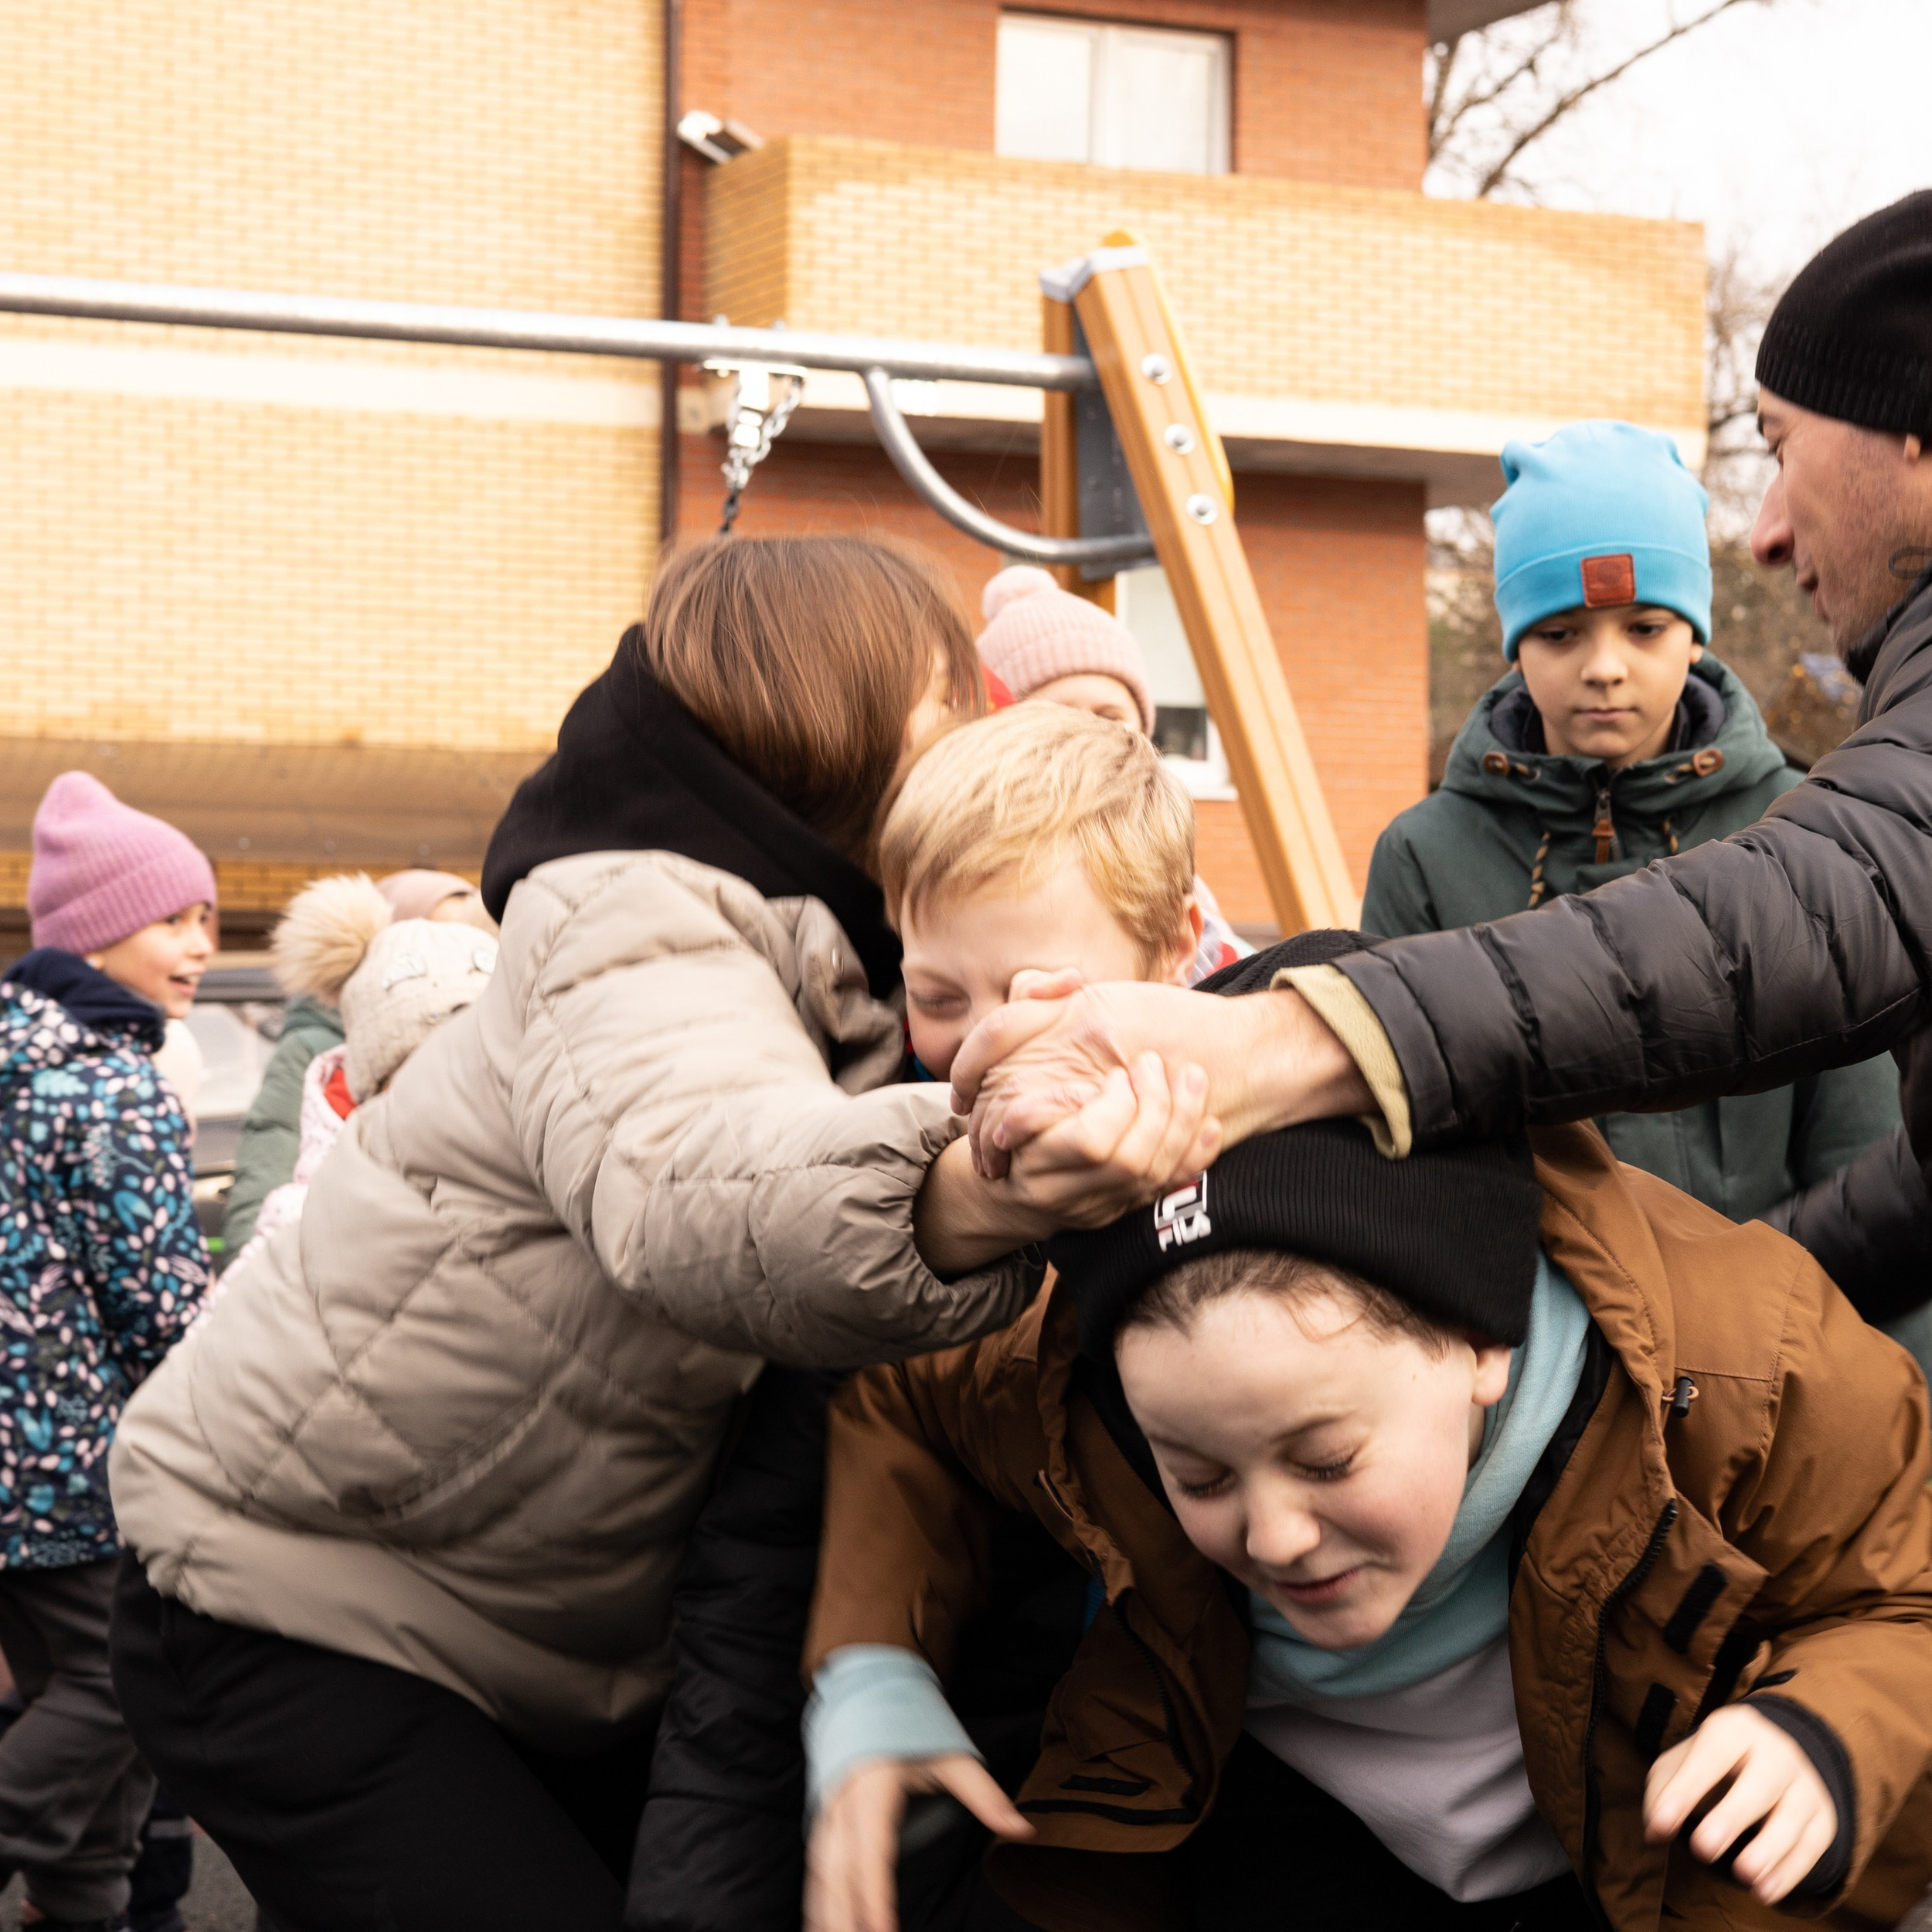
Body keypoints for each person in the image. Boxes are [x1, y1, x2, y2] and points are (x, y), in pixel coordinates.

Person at [104, 537, 1210, 1932]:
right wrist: (983, 1183)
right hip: (296, 1597)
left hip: (516, 1622)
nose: (979, 723)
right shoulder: (633, 915)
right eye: (948, 695)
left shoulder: (852, 952)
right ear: (844, 714)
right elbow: (701, 1187)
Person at [804, 940, 1932, 1932]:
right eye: (1196, 1472)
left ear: (1484, 1344)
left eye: (1325, 1459)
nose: (1273, 1534)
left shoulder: (1757, 1372)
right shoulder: (1077, 1370)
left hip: (1643, 1873)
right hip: (1282, 1829)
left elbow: (1896, 1610)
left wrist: (1822, 1727)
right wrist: (869, 1674)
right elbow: (904, 1401)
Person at [951, 189, 1932, 1277]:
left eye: (1777, 446)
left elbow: (1813, 918)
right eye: (1563, 632)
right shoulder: (1428, 852)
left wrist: (1283, 1042)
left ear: (1910, 421)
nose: (1765, 532)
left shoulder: (1835, 806)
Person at [628, 702, 1214, 1932]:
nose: (990, 1039)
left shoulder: (1287, 1168)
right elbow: (801, 1512)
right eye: (940, 996)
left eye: (1041, 988)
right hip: (979, 1750)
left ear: (1170, 952)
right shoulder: (886, 1213)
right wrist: (866, 1677)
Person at [1361, 419, 1932, 1453]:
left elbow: (1867, 1170)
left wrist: (1900, 1451)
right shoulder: (1422, 859)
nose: (1604, 669)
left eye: (1645, 627)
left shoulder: (1809, 836)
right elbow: (1406, 1188)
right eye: (1560, 633)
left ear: (1697, 635)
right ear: (1513, 643)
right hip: (1531, 1417)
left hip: (1767, 1396)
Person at [0, 773, 215, 1932]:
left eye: (206, 921)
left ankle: (77, 1911)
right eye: (173, 920)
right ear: (92, 932)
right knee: (122, 1688)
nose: (198, 947)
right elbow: (159, 1304)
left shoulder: (15, 1057)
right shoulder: (111, 1085)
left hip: (15, 1466)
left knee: (64, 1699)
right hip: (71, 1465)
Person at [978, 566, 1248, 981]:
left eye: (1110, 717)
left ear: (1144, 731)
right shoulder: (995, 878)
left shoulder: (1176, 873)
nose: (1093, 738)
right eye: (1062, 719)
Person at [220, 866, 488, 1256]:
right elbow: (266, 1173)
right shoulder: (317, 1055)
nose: (448, 949)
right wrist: (263, 1266)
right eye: (432, 931)